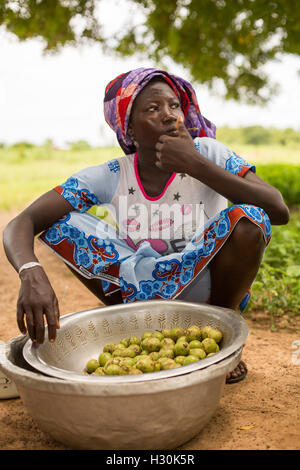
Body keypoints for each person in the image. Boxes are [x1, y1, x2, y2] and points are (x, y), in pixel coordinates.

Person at [2, 67, 289, 384]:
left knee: (250, 220)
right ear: (129, 130)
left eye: (174, 106)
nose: (170, 116)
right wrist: (30, 270)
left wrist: (196, 165)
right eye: (153, 109)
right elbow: (22, 222)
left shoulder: (209, 154)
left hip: (210, 291)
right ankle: (137, 329)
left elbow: (277, 208)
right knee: (61, 224)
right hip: (142, 296)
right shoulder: (112, 174)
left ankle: (223, 339)